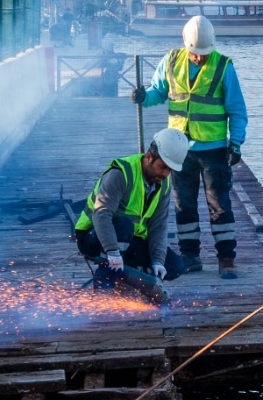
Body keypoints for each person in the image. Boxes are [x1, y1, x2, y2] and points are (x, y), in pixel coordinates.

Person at [132, 15, 248, 279]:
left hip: (214, 149)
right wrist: (143, 97)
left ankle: (226, 258)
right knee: (183, 204)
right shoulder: (171, 61)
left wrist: (236, 143)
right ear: (187, 46)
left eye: (204, 54)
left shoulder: (224, 67)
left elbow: (237, 110)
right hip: (177, 150)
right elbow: (157, 93)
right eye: (195, 53)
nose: (199, 58)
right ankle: (190, 256)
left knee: (219, 204)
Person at [74, 127, 190, 282]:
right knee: (124, 225)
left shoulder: (163, 185)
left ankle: (130, 278)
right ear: (149, 157)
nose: (165, 174)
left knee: (175, 266)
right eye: (162, 167)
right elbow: (101, 214)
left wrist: (157, 261)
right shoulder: (121, 174)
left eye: (170, 170)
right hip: (94, 236)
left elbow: (159, 225)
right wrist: (112, 251)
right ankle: (105, 282)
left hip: (129, 239)